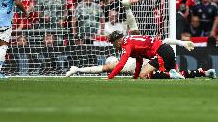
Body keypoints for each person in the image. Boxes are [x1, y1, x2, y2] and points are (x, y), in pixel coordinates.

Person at [66, 36, 195, 78]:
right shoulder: (133, 43)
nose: (113, 47)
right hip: (164, 51)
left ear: (117, 41)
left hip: (161, 53)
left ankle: (172, 74)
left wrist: (110, 77)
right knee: (179, 75)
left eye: (113, 44)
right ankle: (201, 73)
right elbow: (138, 60)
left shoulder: (126, 47)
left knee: (145, 74)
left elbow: (120, 64)